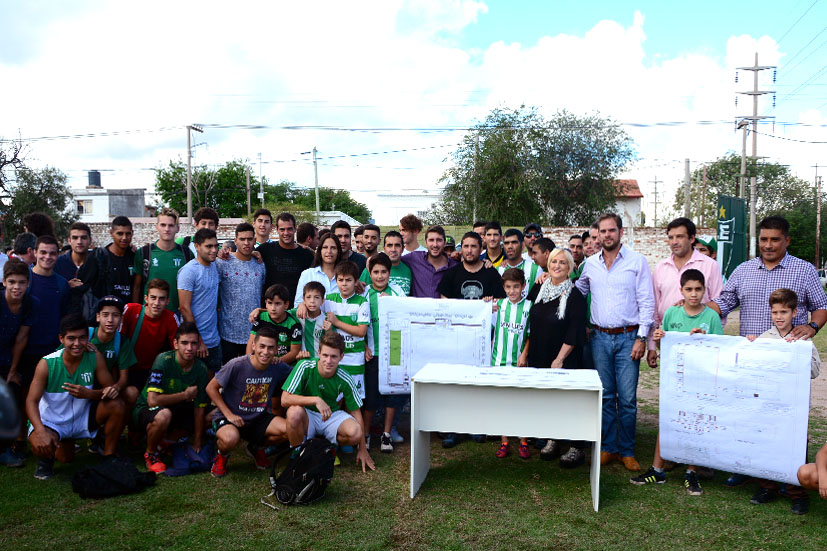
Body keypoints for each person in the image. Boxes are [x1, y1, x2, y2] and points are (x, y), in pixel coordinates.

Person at [631, 269, 724, 495]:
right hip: (674, 378)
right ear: (681, 290)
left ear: (705, 290)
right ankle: (657, 469)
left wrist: (704, 337)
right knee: (668, 420)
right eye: (689, 289)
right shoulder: (672, 313)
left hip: (700, 380)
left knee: (694, 422)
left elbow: (720, 349)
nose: (694, 294)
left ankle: (691, 471)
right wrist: (660, 339)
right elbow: (667, 346)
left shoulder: (711, 317)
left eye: (698, 289)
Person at [575, 213, 654, 472]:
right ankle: (609, 447)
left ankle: (627, 451)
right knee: (606, 396)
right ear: (597, 234)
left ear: (620, 232)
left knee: (628, 399)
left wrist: (642, 338)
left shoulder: (637, 262)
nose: (607, 235)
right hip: (599, 337)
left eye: (612, 230)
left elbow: (647, 303)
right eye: (602, 232)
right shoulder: (589, 265)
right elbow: (578, 293)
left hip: (629, 337)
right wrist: (550, 281)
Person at [745, 288, 821, 514]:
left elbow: (815, 371)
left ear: (795, 312)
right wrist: (752, 347)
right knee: (767, 445)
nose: (779, 317)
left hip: (794, 407)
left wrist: (798, 353)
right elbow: (752, 368)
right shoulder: (764, 338)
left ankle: (796, 492)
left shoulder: (802, 338)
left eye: (784, 312)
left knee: (795, 448)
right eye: (775, 312)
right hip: (769, 405)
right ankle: (767, 487)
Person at [26, 314, 126, 480]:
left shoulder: (94, 358)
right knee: (56, 452)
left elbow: (111, 392)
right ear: (61, 338)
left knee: (117, 404)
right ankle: (46, 460)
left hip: (81, 418)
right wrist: (40, 429)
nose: (77, 344)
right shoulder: (47, 363)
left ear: (88, 338)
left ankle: (109, 455)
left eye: (82, 338)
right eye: (71, 338)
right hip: (53, 422)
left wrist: (89, 394)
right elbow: (31, 400)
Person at [709, 215, 827, 341]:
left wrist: (812, 326)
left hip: (788, 352)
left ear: (787, 241)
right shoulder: (743, 270)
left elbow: (821, 306)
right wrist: (692, 307)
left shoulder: (805, 270)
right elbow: (724, 303)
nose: (768, 245)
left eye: (775, 240)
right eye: (764, 239)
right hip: (751, 351)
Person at [526, 248, 589, 467]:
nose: (557, 266)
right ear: (548, 264)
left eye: (563, 263)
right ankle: (553, 438)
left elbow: (575, 331)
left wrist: (560, 359)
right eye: (554, 262)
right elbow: (528, 320)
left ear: (570, 267)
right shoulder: (538, 289)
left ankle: (576, 446)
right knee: (549, 400)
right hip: (540, 355)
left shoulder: (575, 296)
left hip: (564, 358)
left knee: (569, 402)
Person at [282, 331, 375, 472]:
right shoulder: (304, 366)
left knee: (355, 432)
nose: (328, 361)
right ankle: (299, 454)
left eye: (333, 356)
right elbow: (285, 399)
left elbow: (357, 413)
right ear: (319, 353)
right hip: (308, 415)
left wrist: (362, 449)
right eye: (325, 355)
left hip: (330, 415)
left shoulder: (345, 377)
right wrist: (315, 400)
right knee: (293, 412)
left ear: (341, 357)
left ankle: (327, 446)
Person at [207, 325, 289, 477]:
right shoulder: (237, 364)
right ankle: (221, 456)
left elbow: (299, 376)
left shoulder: (278, 366)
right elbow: (211, 388)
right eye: (262, 346)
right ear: (253, 345)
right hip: (231, 417)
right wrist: (228, 414)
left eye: (271, 348)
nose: (265, 352)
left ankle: (256, 447)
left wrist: (304, 358)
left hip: (259, 418)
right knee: (230, 439)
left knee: (290, 430)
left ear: (277, 350)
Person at [647, 218, 723, 369]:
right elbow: (654, 308)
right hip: (670, 342)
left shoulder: (709, 266)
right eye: (671, 237)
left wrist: (709, 338)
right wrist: (651, 345)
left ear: (692, 238)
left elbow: (719, 303)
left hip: (702, 345)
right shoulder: (661, 267)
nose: (674, 241)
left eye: (680, 236)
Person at [363, 253, 405, 453]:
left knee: (392, 395)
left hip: (394, 351)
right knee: (370, 397)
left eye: (384, 272)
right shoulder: (364, 293)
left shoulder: (397, 292)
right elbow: (358, 323)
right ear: (369, 273)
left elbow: (408, 315)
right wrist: (364, 347)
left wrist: (393, 304)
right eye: (376, 272)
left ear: (389, 273)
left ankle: (386, 435)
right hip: (373, 353)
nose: (380, 276)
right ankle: (366, 434)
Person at [0, 260, 39, 467]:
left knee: (12, 399)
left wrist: (13, 370)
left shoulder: (31, 303)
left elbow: (22, 338)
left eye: (22, 282)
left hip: (10, 357)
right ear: (4, 281)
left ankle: (5, 449)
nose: (17, 287)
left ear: (28, 283)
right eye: (12, 282)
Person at [491, 268, 533, 460]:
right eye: (508, 287)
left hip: (519, 363)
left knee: (521, 401)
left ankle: (523, 440)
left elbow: (531, 336)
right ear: (504, 288)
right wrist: (484, 306)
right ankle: (504, 440)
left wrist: (524, 354)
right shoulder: (498, 305)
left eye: (516, 287)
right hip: (498, 361)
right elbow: (483, 323)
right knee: (501, 402)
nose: (512, 291)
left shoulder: (529, 307)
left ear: (523, 286)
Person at [21, 236, 70, 388]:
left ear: (58, 255)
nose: (47, 257)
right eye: (43, 252)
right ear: (34, 252)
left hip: (53, 351)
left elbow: (65, 317)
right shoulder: (23, 280)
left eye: (52, 253)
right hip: (25, 351)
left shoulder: (62, 284)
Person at [216, 223, 265, 364]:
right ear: (235, 240)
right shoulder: (223, 262)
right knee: (228, 378)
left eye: (250, 239)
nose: (246, 243)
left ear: (255, 241)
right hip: (227, 333)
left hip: (253, 333)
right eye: (242, 239)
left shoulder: (260, 264)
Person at [121, 279, 179, 391]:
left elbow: (178, 349)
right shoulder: (130, 310)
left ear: (168, 301)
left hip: (152, 372)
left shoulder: (170, 318)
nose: (157, 303)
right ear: (146, 298)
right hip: (126, 369)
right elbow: (115, 340)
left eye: (161, 299)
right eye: (153, 298)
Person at [322, 261, 370, 399]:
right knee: (335, 402)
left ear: (356, 281)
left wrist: (337, 322)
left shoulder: (362, 302)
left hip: (355, 359)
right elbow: (310, 307)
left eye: (348, 280)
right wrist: (301, 305)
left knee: (352, 403)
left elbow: (361, 331)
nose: (344, 284)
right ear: (336, 281)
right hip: (334, 360)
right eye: (340, 280)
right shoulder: (329, 300)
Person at [178, 228, 221, 375]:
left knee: (210, 387)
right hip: (195, 342)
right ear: (197, 246)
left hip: (214, 339)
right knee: (193, 389)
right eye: (209, 246)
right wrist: (199, 340)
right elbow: (184, 308)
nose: (214, 250)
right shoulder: (189, 271)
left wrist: (255, 253)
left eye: (216, 246)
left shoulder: (215, 265)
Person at [85, 296, 139, 411]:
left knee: (132, 392)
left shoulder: (122, 341)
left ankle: (124, 424)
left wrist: (116, 387)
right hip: (83, 382)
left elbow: (124, 378)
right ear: (98, 317)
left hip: (106, 385)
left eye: (115, 315)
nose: (110, 320)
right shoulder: (86, 335)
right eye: (105, 315)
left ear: (121, 319)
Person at [133, 208, 193, 313]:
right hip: (149, 314)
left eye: (171, 225)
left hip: (177, 314)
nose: (167, 229)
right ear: (157, 227)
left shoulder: (186, 254)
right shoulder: (144, 253)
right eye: (163, 225)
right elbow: (137, 287)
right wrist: (136, 312)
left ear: (177, 228)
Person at [74, 215, 139, 311]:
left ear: (132, 233)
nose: (124, 238)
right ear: (111, 233)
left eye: (128, 234)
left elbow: (137, 287)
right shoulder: (98, 257)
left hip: (127, 315)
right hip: (102, 317)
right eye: (120, 233)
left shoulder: (135, 257)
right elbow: (82, 284)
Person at [258, 212, 315, 307]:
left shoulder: (306, 254)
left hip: (296, 312)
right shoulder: (265, 250)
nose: (286, 233)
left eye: (289, 229)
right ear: (277, 230)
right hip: (270, 312)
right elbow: (244, 256)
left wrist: (314, 253)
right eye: (282, 229)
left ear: (295, 228)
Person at [439, 232, 506, 301]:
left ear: (481, 249)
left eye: (473, 246)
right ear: (461, 249)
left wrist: (492, 302)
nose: (469, 250)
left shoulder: (492, 273)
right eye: (466, 246)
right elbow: (444, 300)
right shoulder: (451, 274)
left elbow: (500, 301)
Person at [248, 284, 301, 366]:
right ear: (265, 303)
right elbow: (251, 343)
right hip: (262, 361)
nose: (273, 308)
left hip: (283, 364)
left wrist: (278, 360)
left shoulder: (293, 324)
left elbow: (295, 352)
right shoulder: (261, 317)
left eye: (277, 304)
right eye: (270, 303)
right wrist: (249, 361)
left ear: (286, 305)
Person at [401, 225, 457, 298]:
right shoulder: (414, 259)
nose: (435, 244)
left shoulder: (455, 266)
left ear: (444, 243)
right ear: (426, 242)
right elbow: (392, 260)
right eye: (431, 240)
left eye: (439, 240)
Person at [295, 232, 343, 306]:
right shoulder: (308, 274)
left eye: (333, 248)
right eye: (325, 247)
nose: (329, 251)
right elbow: (298, 304)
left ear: (338, 251)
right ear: (320, 250)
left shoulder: (345, 277)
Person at [360, 230, 413, 296]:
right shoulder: (370, 269)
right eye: (389, 245)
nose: (393, 249)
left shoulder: (408, 270)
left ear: (403, 249)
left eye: (397, 245)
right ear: (384, 248)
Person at [497, 229, 542, 298]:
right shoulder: (498, 271)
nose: (510, 246)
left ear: (522, 245)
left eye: (514, 242)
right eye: (506, 243)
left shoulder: (535, 270)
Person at [293, 282, 327, 360]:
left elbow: (331, 343)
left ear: (322, 300)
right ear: (303, 299)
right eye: (308, 297)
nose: (312, 301)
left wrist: (329, 330)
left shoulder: (326, 319)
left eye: (317, 297)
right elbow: (279, 312)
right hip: (301, 361)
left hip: (319, 363)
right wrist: (259, 310)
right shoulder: (297, 313)